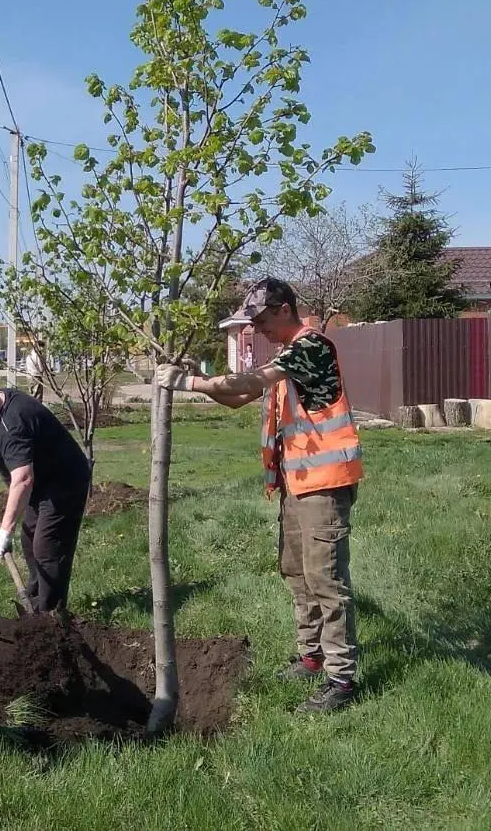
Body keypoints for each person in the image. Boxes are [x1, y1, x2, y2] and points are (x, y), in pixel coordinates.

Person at [154, 278, 363, 714]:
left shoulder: (310, 347)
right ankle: (312, 656)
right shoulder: (289, 358)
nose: (257, 329)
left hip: (324, 483)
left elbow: (252, 379)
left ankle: (341, 679)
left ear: (284, 309)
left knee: (326, 579)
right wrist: (200, 384)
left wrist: (189, 381)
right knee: (296, 572)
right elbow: (240, 395)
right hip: (297, 482)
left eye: (262, 320)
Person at [0, 382, 91, 614]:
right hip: (41, 484)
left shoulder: (13, 424)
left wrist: (5, 531)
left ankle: (51, 615)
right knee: (29, 541)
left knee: (47, 547)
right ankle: (37, 602)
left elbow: (23, 480)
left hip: (63, 483)